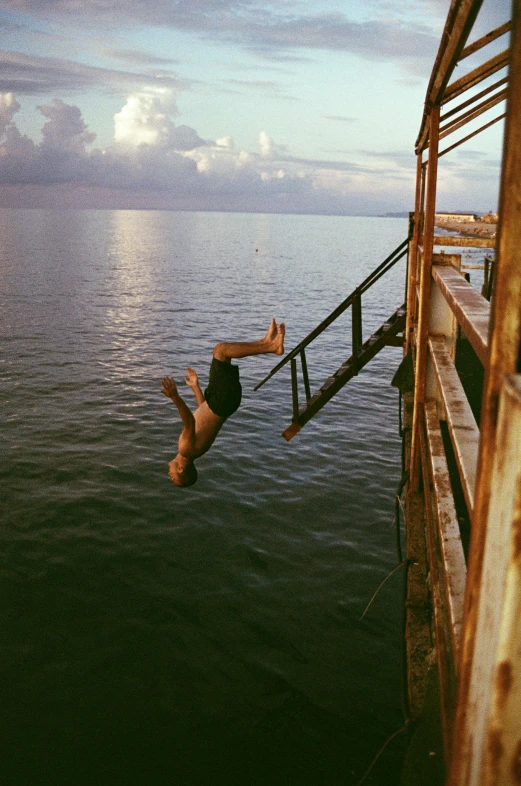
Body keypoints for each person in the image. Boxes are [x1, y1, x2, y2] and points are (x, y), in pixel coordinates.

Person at [161, 319, 285, 487]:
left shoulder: (194, 452)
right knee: (221, 351)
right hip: (222, 401)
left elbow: (203, 413)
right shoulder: (186, 450)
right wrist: (175, 396)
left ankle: (266, 343)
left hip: (220, 403)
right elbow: (189, 422)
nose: (170, 474)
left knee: (222, 354)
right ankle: (271, 347)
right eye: (173, 477)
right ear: (181, 470)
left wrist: (195, 387)